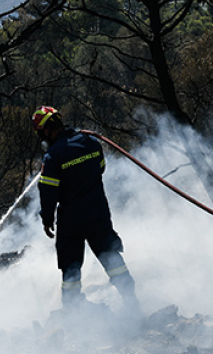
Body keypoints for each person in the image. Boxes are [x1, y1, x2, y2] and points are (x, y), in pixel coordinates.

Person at [32, 105, 138, 310]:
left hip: (71, 221)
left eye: (40, 133)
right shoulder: (90, 142)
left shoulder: (53, 156)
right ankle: (131, 300)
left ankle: (72, 311)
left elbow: (48, 193)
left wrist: (46, 219)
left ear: (46, 129)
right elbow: (101, 169)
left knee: (71, 266)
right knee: (111, 257)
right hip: (98, 213)